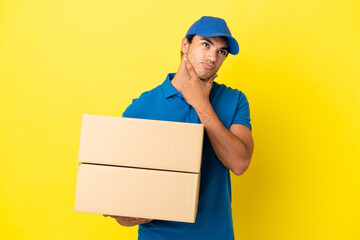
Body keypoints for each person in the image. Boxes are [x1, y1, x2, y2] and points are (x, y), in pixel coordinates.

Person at [104, 16, 254, 239]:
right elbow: (113, 182)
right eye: (206, 44)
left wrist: (202, 104)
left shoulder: (234, 100)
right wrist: (121, 216)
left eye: (222, 52)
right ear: (185, 45)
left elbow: (240, 163)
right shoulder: (143, 107)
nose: (213, 57)